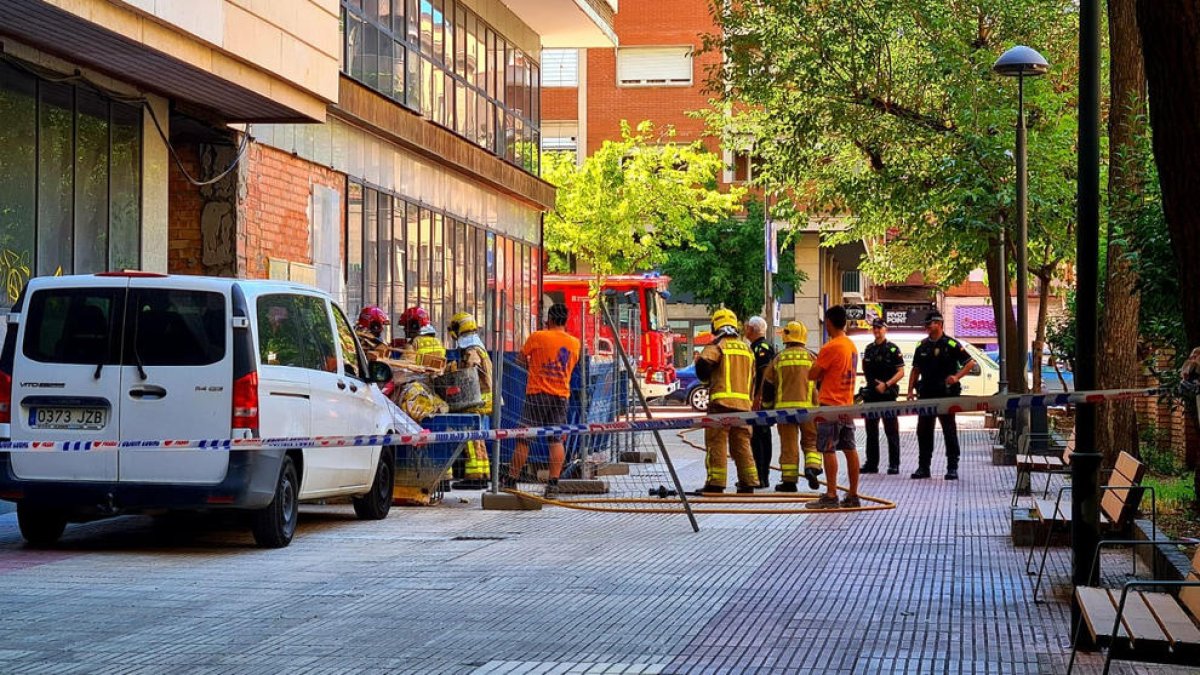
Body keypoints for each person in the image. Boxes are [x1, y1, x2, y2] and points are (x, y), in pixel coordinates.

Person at [506, 303, 581, 499]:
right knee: (555, 440)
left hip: (537, 395)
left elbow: (521, 361)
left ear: (549, 319)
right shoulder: (574, 343)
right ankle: (553, 485)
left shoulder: (537, 337)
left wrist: (535, 365)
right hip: (561, 396)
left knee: (524, 437)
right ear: (565, 320)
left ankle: (511, 480)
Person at [693, 308, 760, 494]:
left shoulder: (718, 345)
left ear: (715, 325)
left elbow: (704, 367)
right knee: (742, 443)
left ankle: (716, 482)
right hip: (744, 407)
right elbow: (753, 379)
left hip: (720, 404)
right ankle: (748, 482)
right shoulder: (747, 349)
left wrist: (699, 361)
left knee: (716, 442)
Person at [907, 310, 976, 480]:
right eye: (927, 325)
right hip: (926, 394)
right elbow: (915, 370)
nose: (928, 327)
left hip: (946, 395)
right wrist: (910, 391)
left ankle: (952, 467)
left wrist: (956, 377)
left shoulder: (951, 344)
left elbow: (970, 363)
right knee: (923, 431)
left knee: (949, 431)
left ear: (939, 324)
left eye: (930, 324)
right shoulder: (921, 346)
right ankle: (924, 467)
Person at [805, 305, 861, 509]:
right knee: (849, 448)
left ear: (828, 322)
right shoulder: (851, 345)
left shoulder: (831, 347)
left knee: (828, 449)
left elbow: (813, 374)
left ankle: (831, 494)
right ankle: (853, 495)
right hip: (847, 404)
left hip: (830, 405)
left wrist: (814, 363)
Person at [761, 321, 821, 492]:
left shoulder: (778, 358)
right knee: (811, 441)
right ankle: (812, 468)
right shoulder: (812, 357)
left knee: (789, 445)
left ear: (787, 336)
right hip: (809, 408)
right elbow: (821, 382)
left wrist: (767, 407)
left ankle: (789, 481)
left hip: (784, 410)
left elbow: (768, 385)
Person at [448, 312, 493, 490]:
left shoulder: (471, 349)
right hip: (483, 399)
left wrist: (457, 369)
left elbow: (471, 367)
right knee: (479, 438)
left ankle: (474, 476)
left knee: (471, 438)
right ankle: (483, 474)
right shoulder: (479, 346)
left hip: (475, 399)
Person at [861, 317, 905, 475]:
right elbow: (866, 370)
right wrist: (874, 385)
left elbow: (901, 372)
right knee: (871, 431)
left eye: (879, 328)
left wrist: (886, 384)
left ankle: (894, 464)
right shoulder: (869, 349)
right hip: (872, 394)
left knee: (891, 431)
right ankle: (871, 464)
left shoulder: (893, 349)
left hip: (887, 394)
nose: (877, 331)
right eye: (875, 328)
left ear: (885, 329)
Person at [746, 315, 776, 487]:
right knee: (759, 437)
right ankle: (761, 476)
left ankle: (762, 476)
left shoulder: (761, 347)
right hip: (760, 399)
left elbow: (765, 371)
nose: (745, 330)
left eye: (747, 327)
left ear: (753, 329)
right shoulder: (755, 347)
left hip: (762, 402)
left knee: (760, 437)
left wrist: (758, 396)